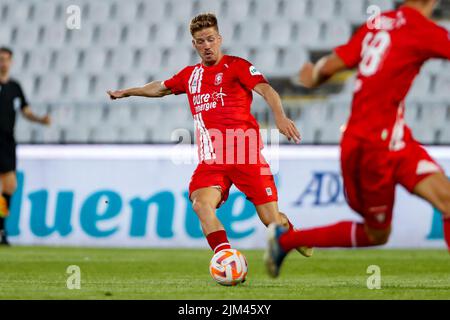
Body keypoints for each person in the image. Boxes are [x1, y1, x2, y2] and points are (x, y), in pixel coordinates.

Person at [265, 0, 450, 277]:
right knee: (376, 234)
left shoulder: (378, 23)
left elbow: (331, 66)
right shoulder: (422, 29)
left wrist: (314, 75)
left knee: (447, 201)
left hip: (394, 140)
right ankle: (286, 240)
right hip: (370, 148)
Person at [107, 13, 312, 257]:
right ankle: (225, 258)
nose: (207, 45)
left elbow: (266, 90)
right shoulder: (190, 75)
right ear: (194, 44)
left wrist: (279, 116)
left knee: (272, 222)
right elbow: (160, 88)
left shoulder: (237, 66)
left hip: (245, 155)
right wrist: (128, 92)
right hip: (212, 161)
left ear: (219, 39)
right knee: (201, 204)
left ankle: (293, 234)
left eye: (211, 39)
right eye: (201, 41)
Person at [0, 47, 51, 245]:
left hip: (7, 141)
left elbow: (25, 110)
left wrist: (40, 120)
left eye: (6, 59)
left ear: (11, 62)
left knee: (10, 186)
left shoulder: (15, 87)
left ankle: (1, 228)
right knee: (8, 185)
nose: (3, 63)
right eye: (0, 59)